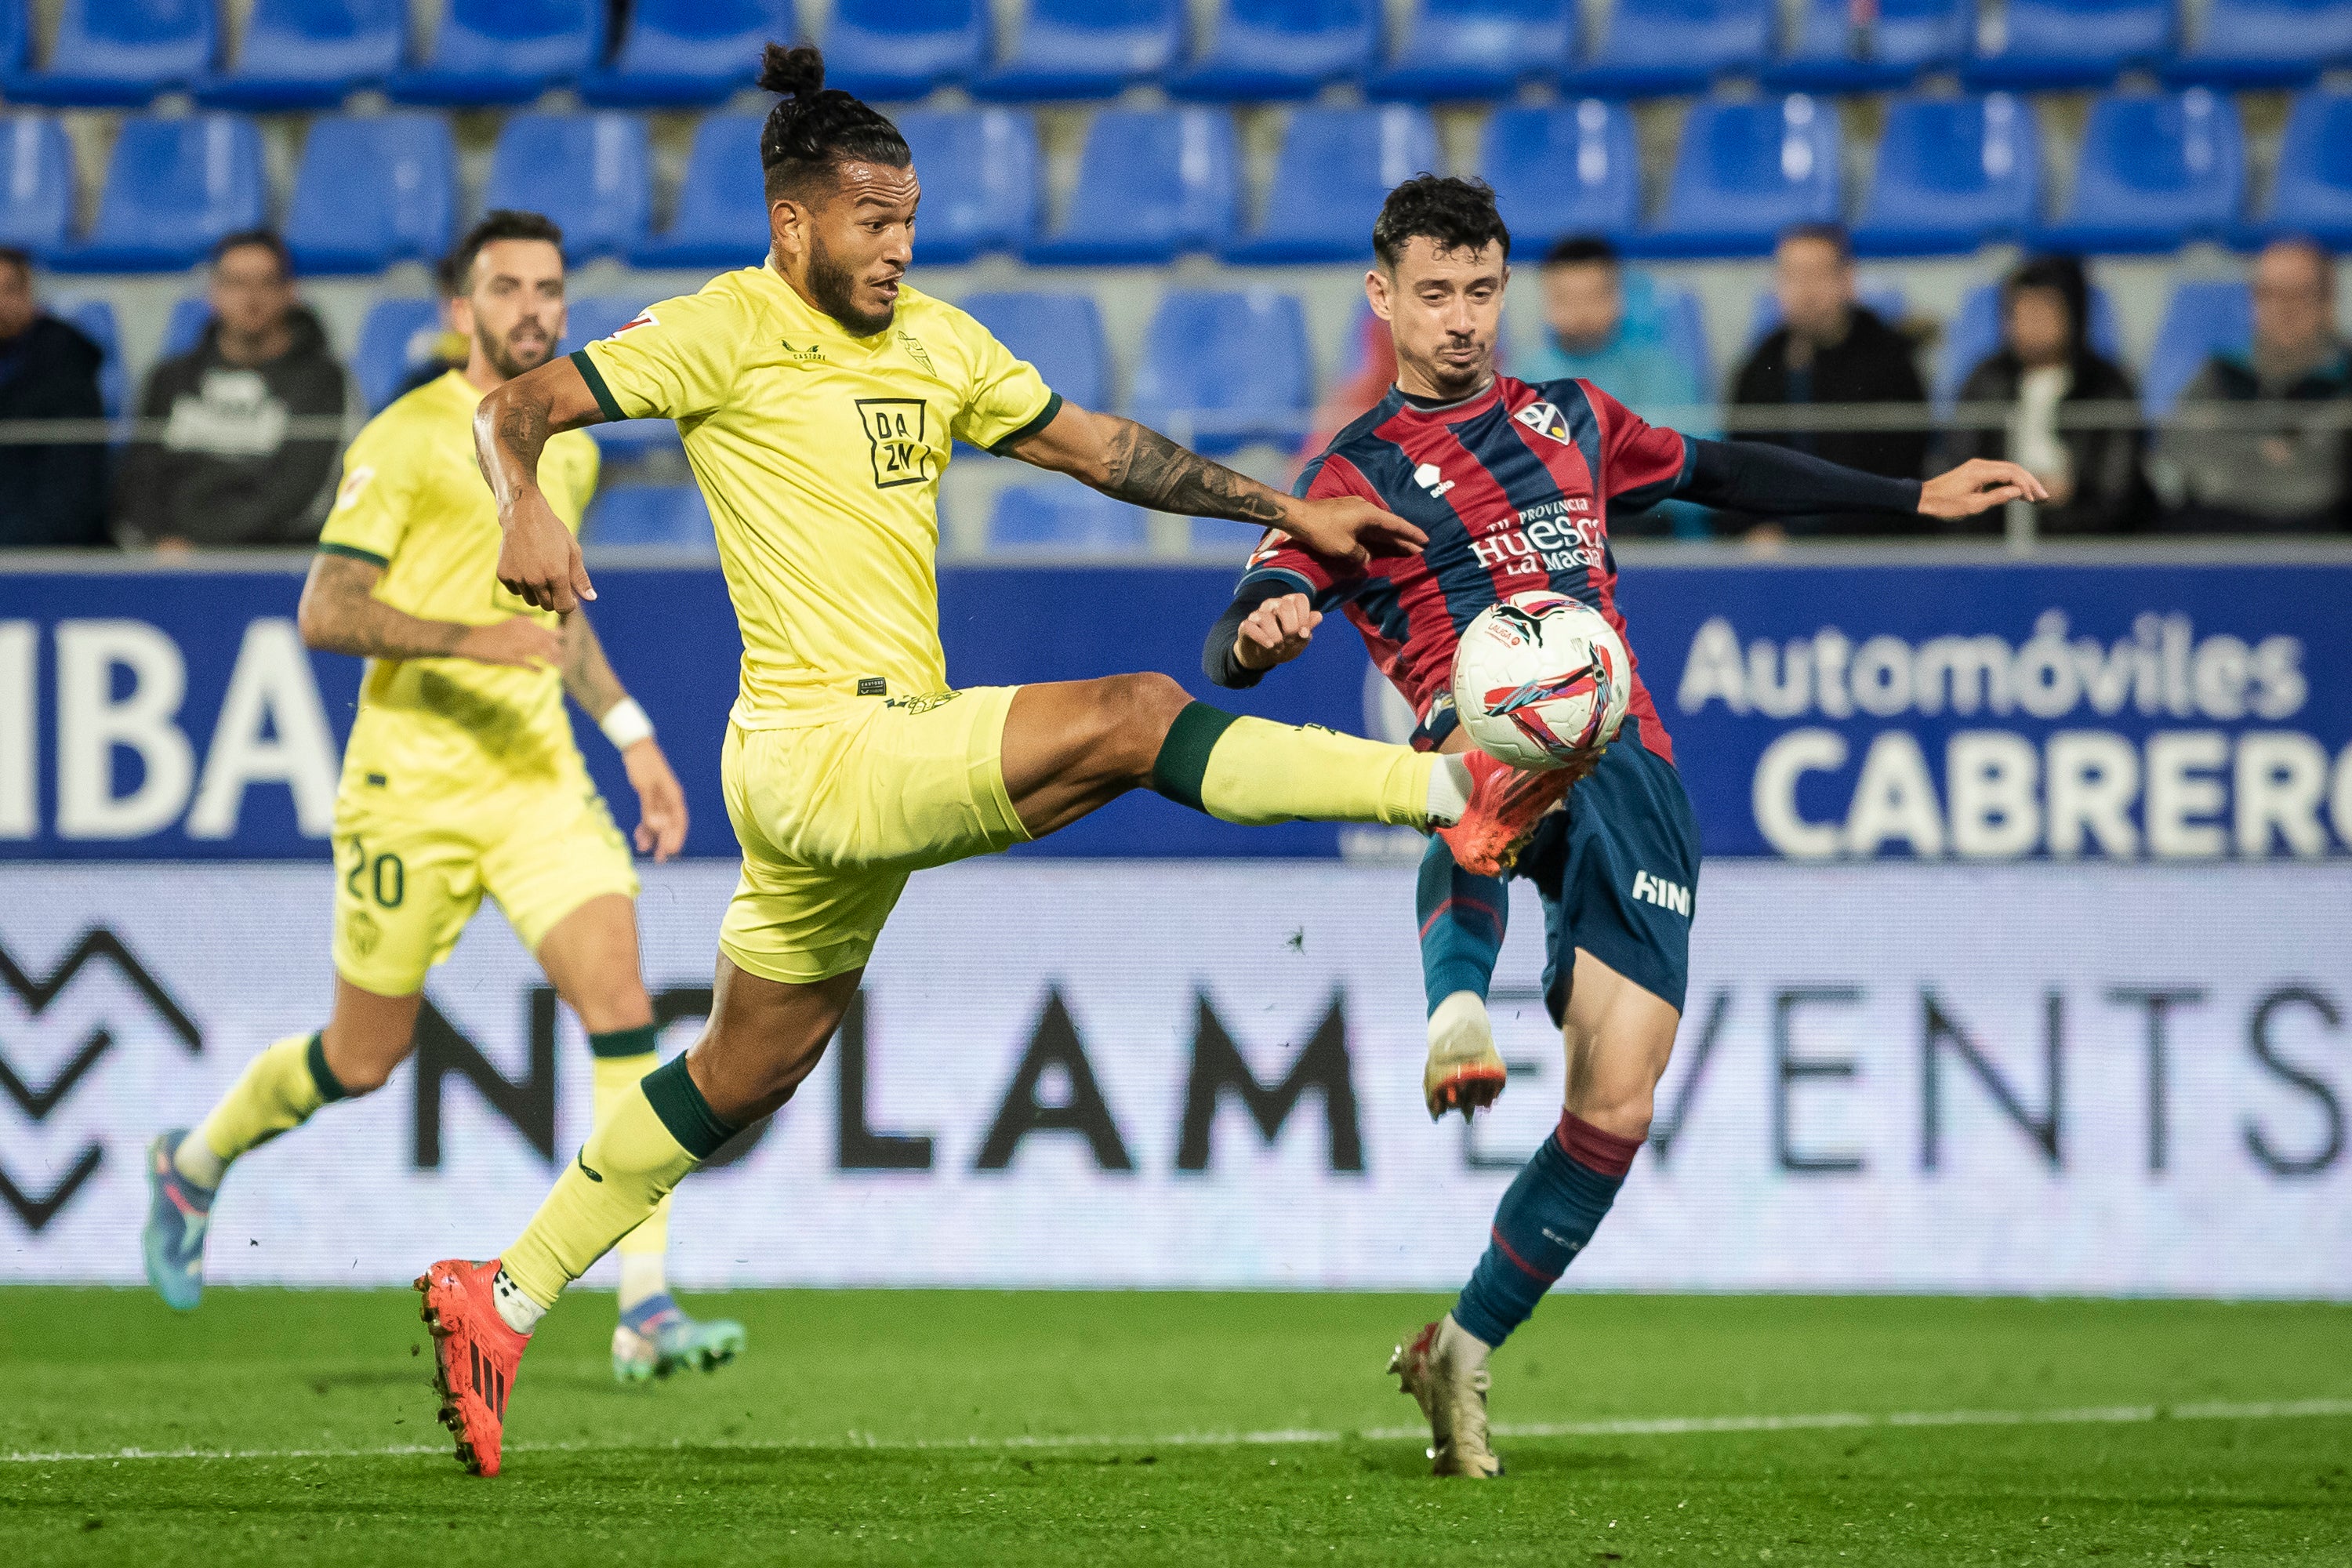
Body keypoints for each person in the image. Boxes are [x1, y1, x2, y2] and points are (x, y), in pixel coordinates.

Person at [411, 45, 1549, 1479]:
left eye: (909, 215)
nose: (897, 243)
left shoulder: (940, 342)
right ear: (794, 222)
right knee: (1137, 716)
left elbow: (1102, 449)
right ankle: (1458, 789)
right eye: (871, 218)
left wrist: (1293, 510)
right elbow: (509, 408)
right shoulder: (720, 330)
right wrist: (521, 508)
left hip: (864, 760)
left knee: (749, 1067)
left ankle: (497, 1298)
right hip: (819, 748)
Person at [1198, 176, 2043, 1477]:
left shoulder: (1571, 421)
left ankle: (1461, 1350)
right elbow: (1251, 610)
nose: (1463, 319)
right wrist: (1259, 635)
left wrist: (1911, 496)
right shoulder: (1347, 474)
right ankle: (1453, 1005)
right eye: (1435, 295)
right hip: (1477, 733)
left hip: (1630, 755)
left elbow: (1723, 467)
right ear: (1383, 299)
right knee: (1479, 772)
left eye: (1482, 291)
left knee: (1621, 1104)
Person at [140, 211, 746, 1385]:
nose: (534, 308)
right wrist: (470, 637)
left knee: (624, 1002)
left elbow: (558, 627)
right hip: (409, 793)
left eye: (551, 289)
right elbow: (324, 610)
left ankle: (647, 1300)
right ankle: (194, 1160)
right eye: (508, 289)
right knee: (362, 1060)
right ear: (462, 310)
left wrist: (632, 739)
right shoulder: (408, 436)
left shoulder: (561, 442)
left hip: (535, 787)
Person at [113, 230, 348, 550]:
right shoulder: (169, 378)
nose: (251, 297)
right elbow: (140, 479)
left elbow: (301, 491)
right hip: (167, 558)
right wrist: (161, 539)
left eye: (266, 282)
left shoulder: (324, 380)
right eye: (236, 283)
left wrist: (203, 544)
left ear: (289, 292)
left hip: (267, 566)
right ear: (214, 292)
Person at [1728, 223, 1929, 535]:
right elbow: (1738, 468)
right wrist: (1758, 527)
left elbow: (1898, 477)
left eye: (1817, 274)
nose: (1805, 290)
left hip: (1870, 546)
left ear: (1847, 280)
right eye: (1792, 275)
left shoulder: (1890, 364)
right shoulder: (1759, 366)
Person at [1519, 235, 1713, 538]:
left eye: (1594, 296)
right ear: (1548, 300)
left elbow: (1695, 476)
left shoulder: (1663, 370)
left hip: (1655, 538)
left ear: (1619, 296)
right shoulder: (1522, 378)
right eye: (1566, 298)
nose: (1581, 310)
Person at [2154, 238, 2351, 533]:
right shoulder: (2220, 373)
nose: (2283, 310)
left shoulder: (2344, 377)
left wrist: (2233, 452)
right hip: (2220, 540)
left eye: (2298, 294)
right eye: (2269, 294)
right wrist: (2275, 457)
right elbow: (2180, 454)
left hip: (2325, 544)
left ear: (2327, 301)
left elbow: (2322, 482)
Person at [1945, 255, 2149, 535]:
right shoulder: (1985, 382)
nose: (2032, 323)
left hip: (2085, 540)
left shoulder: (2107, 386)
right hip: (1996, 534)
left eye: (2045, 309)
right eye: (2021, 310)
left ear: (2073, 315)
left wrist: (2072, 491)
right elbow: (1960, 466)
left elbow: (2117, 487)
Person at [0, 245, 108, 547]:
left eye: (8, 291)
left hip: (38, 558)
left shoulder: (68, 368)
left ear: (29, 297)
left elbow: (72, 493)